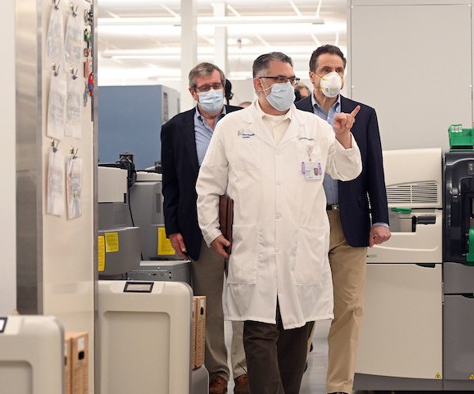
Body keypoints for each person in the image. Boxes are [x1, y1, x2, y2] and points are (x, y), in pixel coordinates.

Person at [196, 52, 363, 394]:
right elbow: (208, 184)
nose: (288, 86)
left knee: (295, 339)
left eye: (290, 79)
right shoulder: (233, 127)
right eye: (279, 80)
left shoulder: (314, 128)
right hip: (254, 251)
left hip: (302, 251)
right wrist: (211, 231)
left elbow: (347, 171)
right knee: (258, 336)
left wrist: (345, 138)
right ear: (259, 84)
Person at [295, 44, 391, 394]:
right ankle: (293, 374)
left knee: (349, 309)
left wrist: (380, 219)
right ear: (312, 75)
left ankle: (339, 386)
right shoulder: (294, 113)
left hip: (348, 222)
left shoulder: (362, 114)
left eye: (338, 68)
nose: (332, 75)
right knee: (299, 306)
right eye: (325, 69)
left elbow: (375, 171)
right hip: (303, 223)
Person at [160, 62, 249, 394]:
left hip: (243, 222)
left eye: (218, 85)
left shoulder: (243, 122)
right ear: (193, 92)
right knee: (209, 303)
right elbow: (171, 183)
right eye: (205, 87)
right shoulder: (175, 129)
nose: (213, 92)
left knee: (244, 297)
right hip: (199, 226)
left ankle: (243, 370)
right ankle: (218, 371)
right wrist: (173, 229)